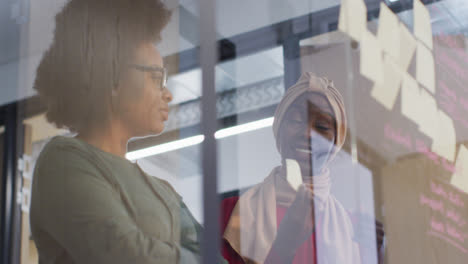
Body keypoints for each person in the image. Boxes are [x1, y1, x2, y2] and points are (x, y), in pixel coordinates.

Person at [30, 1, 222, 263]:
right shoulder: (63, 161)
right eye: (156, 78)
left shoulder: (162, 190)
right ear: (111, 78)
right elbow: (124, 253)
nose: (168, 94)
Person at [221, 72, 385, 264]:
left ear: (336, 143)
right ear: (279, 129)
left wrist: (378, 255)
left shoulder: (352, 228)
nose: (307, 133)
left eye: (322, 127)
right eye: (296, 121)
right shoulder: (234, 213)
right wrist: (285, 244)